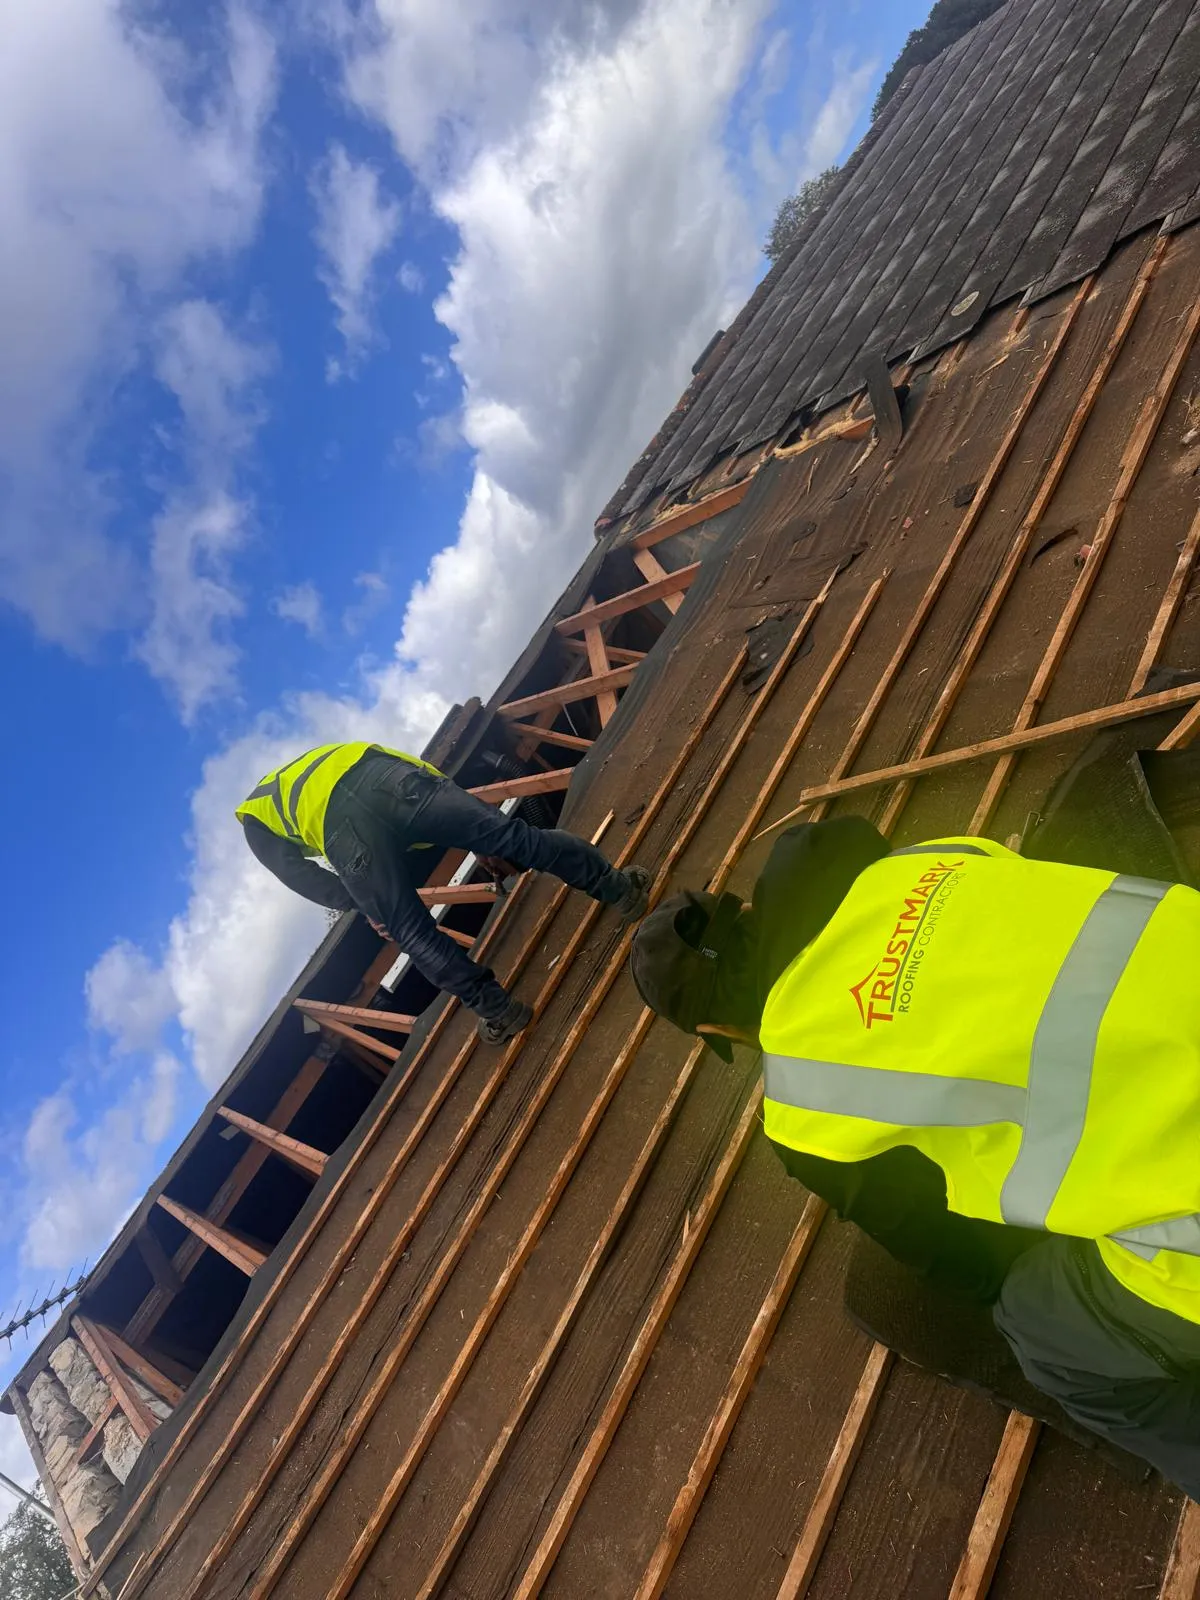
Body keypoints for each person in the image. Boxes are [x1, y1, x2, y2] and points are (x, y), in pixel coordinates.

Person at [630, 815, 1200, 1497]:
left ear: (716, 1030)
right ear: (745, 910)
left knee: (1039, 1327)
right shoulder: (923, 861)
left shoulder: (806, 1109)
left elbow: (960, 1258)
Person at [238, 741, 651, 1044]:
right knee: (513, 837)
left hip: (343, 831)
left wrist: (361, 902)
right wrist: (480, 835)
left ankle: (499, 1011)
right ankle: (620, 891)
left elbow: (293, 872)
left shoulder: (254, 814)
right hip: (388, 775)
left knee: (412, 933)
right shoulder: (323, 757)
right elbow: (426, 779)